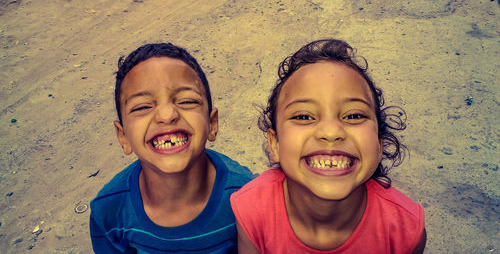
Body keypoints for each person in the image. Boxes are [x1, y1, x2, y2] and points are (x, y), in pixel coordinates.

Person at [231, 39, 426, 253]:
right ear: (275, 143)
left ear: (379, 144)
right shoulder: (251, 209)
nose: (331, 133)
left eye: (354, 115)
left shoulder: (405, 230)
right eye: (304, 116)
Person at [89, 43, 254, 253]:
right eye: (142, 107)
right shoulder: (109, 212)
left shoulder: (245, 197)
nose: (167, 115)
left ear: (212, 124)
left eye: (186, 101)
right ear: (123, 137)